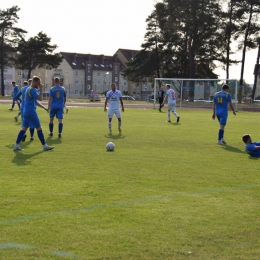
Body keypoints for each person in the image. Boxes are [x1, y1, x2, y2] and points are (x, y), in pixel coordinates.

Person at [13, 76, 54, 151]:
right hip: (31, 112)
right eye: (38, 83)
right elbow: (40, 98)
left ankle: (16, 145)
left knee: (24, 128)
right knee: (39, 128)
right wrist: (41, 89)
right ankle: (44, 146)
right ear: (34, 82)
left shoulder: (28, 89)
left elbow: (35, 101)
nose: (39, 85)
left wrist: (44, 108)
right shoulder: (32, 90)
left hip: (25, 111)